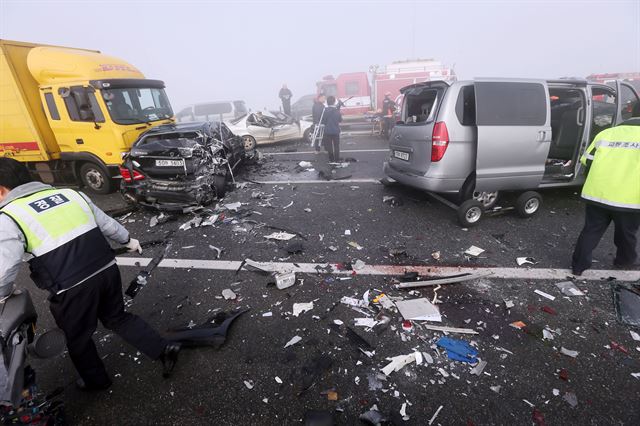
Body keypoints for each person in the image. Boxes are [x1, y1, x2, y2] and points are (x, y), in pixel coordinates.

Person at [0, 158, 180, 391]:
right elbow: (107, 224)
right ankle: (163, 349)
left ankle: (97, 381)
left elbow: (5, 268)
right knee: (117, 318)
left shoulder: (9, 216)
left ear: (2, 189)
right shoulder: (70, 194)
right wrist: (128, 240)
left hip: (71, 288)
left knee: (78, 338)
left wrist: (3, 294)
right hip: (107, 270)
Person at [571, 104, 640, 275]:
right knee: (626, 234)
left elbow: (587, 160)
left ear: (631, 112)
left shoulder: (606, 134)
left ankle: (578, 267)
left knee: (591, 230)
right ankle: (624, 262)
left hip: (597, 193)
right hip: (629, 199)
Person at [321, 95, 342, 162]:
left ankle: (331, 159)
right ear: (334, 102)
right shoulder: (337, 111)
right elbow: (340, 120)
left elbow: (323, 121)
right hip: (336, 131)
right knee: (336, 146)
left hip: (327, 131)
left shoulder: (325, 110)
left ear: (327, 102)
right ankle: (337, 159)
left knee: (329, 146)